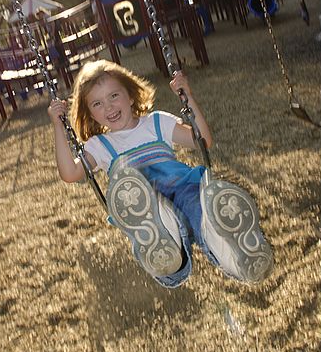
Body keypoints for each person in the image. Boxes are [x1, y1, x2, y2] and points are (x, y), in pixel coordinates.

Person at [48, 59, 273, 289]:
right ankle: (164, 244)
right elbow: (70, 173)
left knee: (206, 219)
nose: (108, 107)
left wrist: (188, 96)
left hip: (182, 188)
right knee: (150, 213)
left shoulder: (156, 122)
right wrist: (58, 125)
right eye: (97, 103)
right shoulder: (100, 145)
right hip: (139, 203)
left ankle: (240, 259)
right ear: (91, 114)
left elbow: (202, 141)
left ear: (131, 95)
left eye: (114, 96)